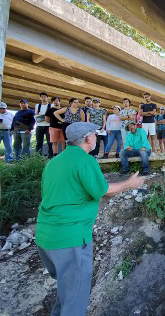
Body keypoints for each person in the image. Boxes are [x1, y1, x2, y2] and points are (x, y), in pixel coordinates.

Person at [36, 122, 145, 316]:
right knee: (74, 302)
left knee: (66, 293)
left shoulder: (53, 162)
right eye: (95, 134)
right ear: (88, 138)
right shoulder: (86, 161)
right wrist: (129, 184)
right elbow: (102, 190)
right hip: (70, 240)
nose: (96, 136)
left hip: (45, 239)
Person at [34, 92, 53, 159]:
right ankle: (38, 157)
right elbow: (36, 115)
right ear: (40, 98)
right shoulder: (37, 105)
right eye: (42, 96)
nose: (43, 98)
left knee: (50, 142)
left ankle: (51, 156)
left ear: (47, 98)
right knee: (39, 142)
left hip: (48, 125)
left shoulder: (51, 106)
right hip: (39, 125)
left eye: (45, 96)